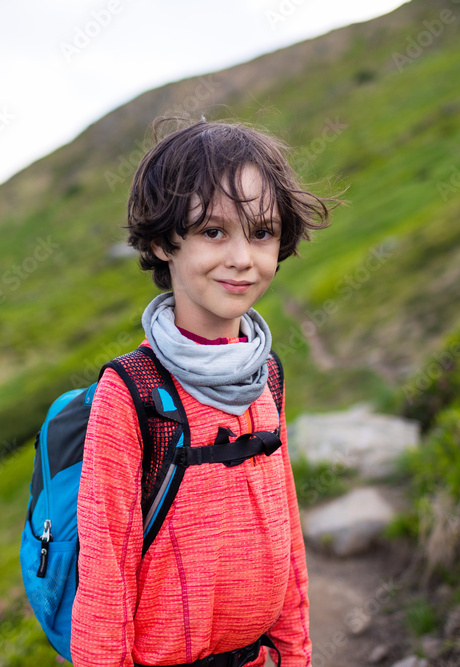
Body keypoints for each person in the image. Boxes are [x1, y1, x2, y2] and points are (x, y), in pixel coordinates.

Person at [71, 118, 336, 667]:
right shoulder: (133, 393)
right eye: (214, 232)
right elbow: (104, 582)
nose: (243, 258)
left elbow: (286, 538)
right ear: (162, 241)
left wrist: (295, 654)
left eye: (261, 232)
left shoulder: (267, 376)